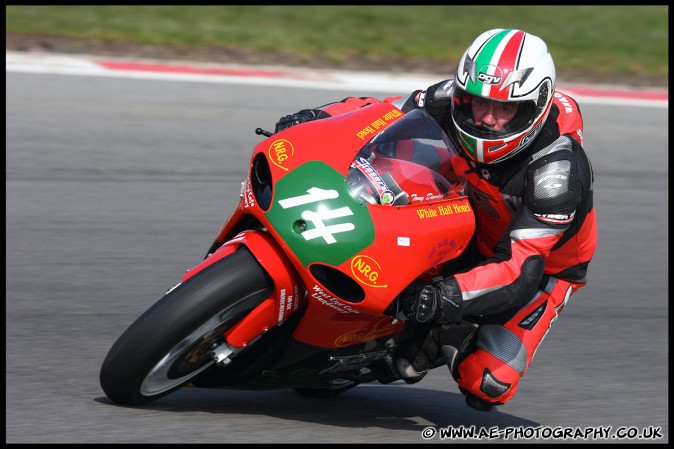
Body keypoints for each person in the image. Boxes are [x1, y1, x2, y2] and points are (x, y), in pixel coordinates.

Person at [273, 28, 597, 411]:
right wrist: (319, 118)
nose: (488, 119)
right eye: (478, 103)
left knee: (489, 382)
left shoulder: (556, 175)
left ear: (533, 109)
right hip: (467, 212)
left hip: (539, 266)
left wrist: (448, 298)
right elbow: (384, 114)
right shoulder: (453, 98)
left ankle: (435, 339)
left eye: (506, 110)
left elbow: (519, 267)